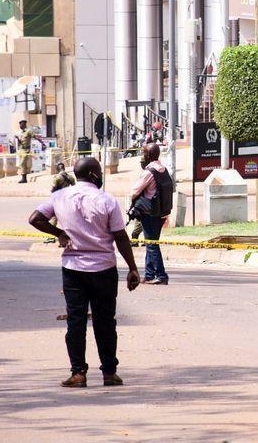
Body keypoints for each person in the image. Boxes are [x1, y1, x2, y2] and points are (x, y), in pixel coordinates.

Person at [28, 157, 141, 388]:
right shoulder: (107, 200)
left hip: (72, 270)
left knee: (76, 322)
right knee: (105, 322)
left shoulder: (59, 196)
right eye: (99, 172)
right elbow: (120, 236)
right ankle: (109, 372)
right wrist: (132, 268)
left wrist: (58, 233)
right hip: (104, 269)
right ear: (93, 175)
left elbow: (35, 219)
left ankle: (78, 373)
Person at [130, 143, 171, 285]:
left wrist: (130, 205)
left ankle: (161, 275)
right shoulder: (164, 169)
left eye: (144, 153)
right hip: (161, 213)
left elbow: (134, 191)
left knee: (152, 245)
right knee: (151, 242)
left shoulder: (149, 172)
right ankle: (149, 275)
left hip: (149, 213)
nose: (143, 155)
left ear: (149, 155)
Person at [16, 120, 46, 184]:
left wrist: (42, 143)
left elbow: (36, 137)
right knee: (21, 164)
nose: (20, 126)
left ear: (24, 124)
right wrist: (18, 139)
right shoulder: (21, 133)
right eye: (19, 124)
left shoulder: (29, 131)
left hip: (26, 150)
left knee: (22, 164)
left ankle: (24, 179)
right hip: (21, 150)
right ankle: (24, 178)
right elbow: (21, 142)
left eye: (21, 124)